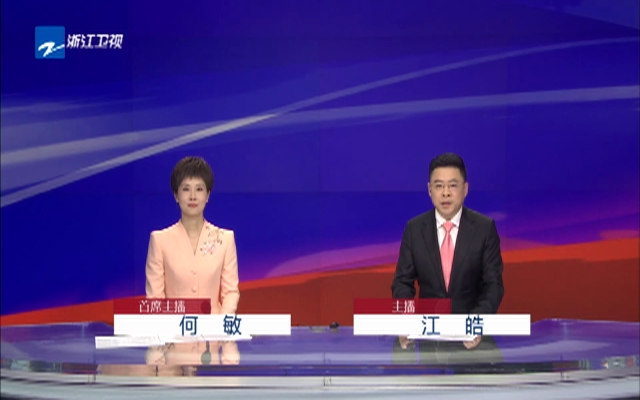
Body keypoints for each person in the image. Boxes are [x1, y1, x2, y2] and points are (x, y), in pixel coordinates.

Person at [391, 152, 504, 363]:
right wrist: (405, 320)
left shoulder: (484, 228)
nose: (445, 193)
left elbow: (493, 285)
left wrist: (476, 323)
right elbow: (402, 282)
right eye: (439, 186)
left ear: (465, 189)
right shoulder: (414, 229)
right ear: (429, 190)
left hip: (473, 343)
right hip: (429, 340)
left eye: (452, 185)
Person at [145, 156, 240, 315]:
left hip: (214, 329)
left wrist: (220, 325)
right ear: (176, 195)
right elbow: (155, 299)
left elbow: (231, 292)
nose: (193, 196)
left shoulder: (225, 239)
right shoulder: (159, 240)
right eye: (186, 189)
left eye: (199, 189)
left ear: (208, 195)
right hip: (175, 329)